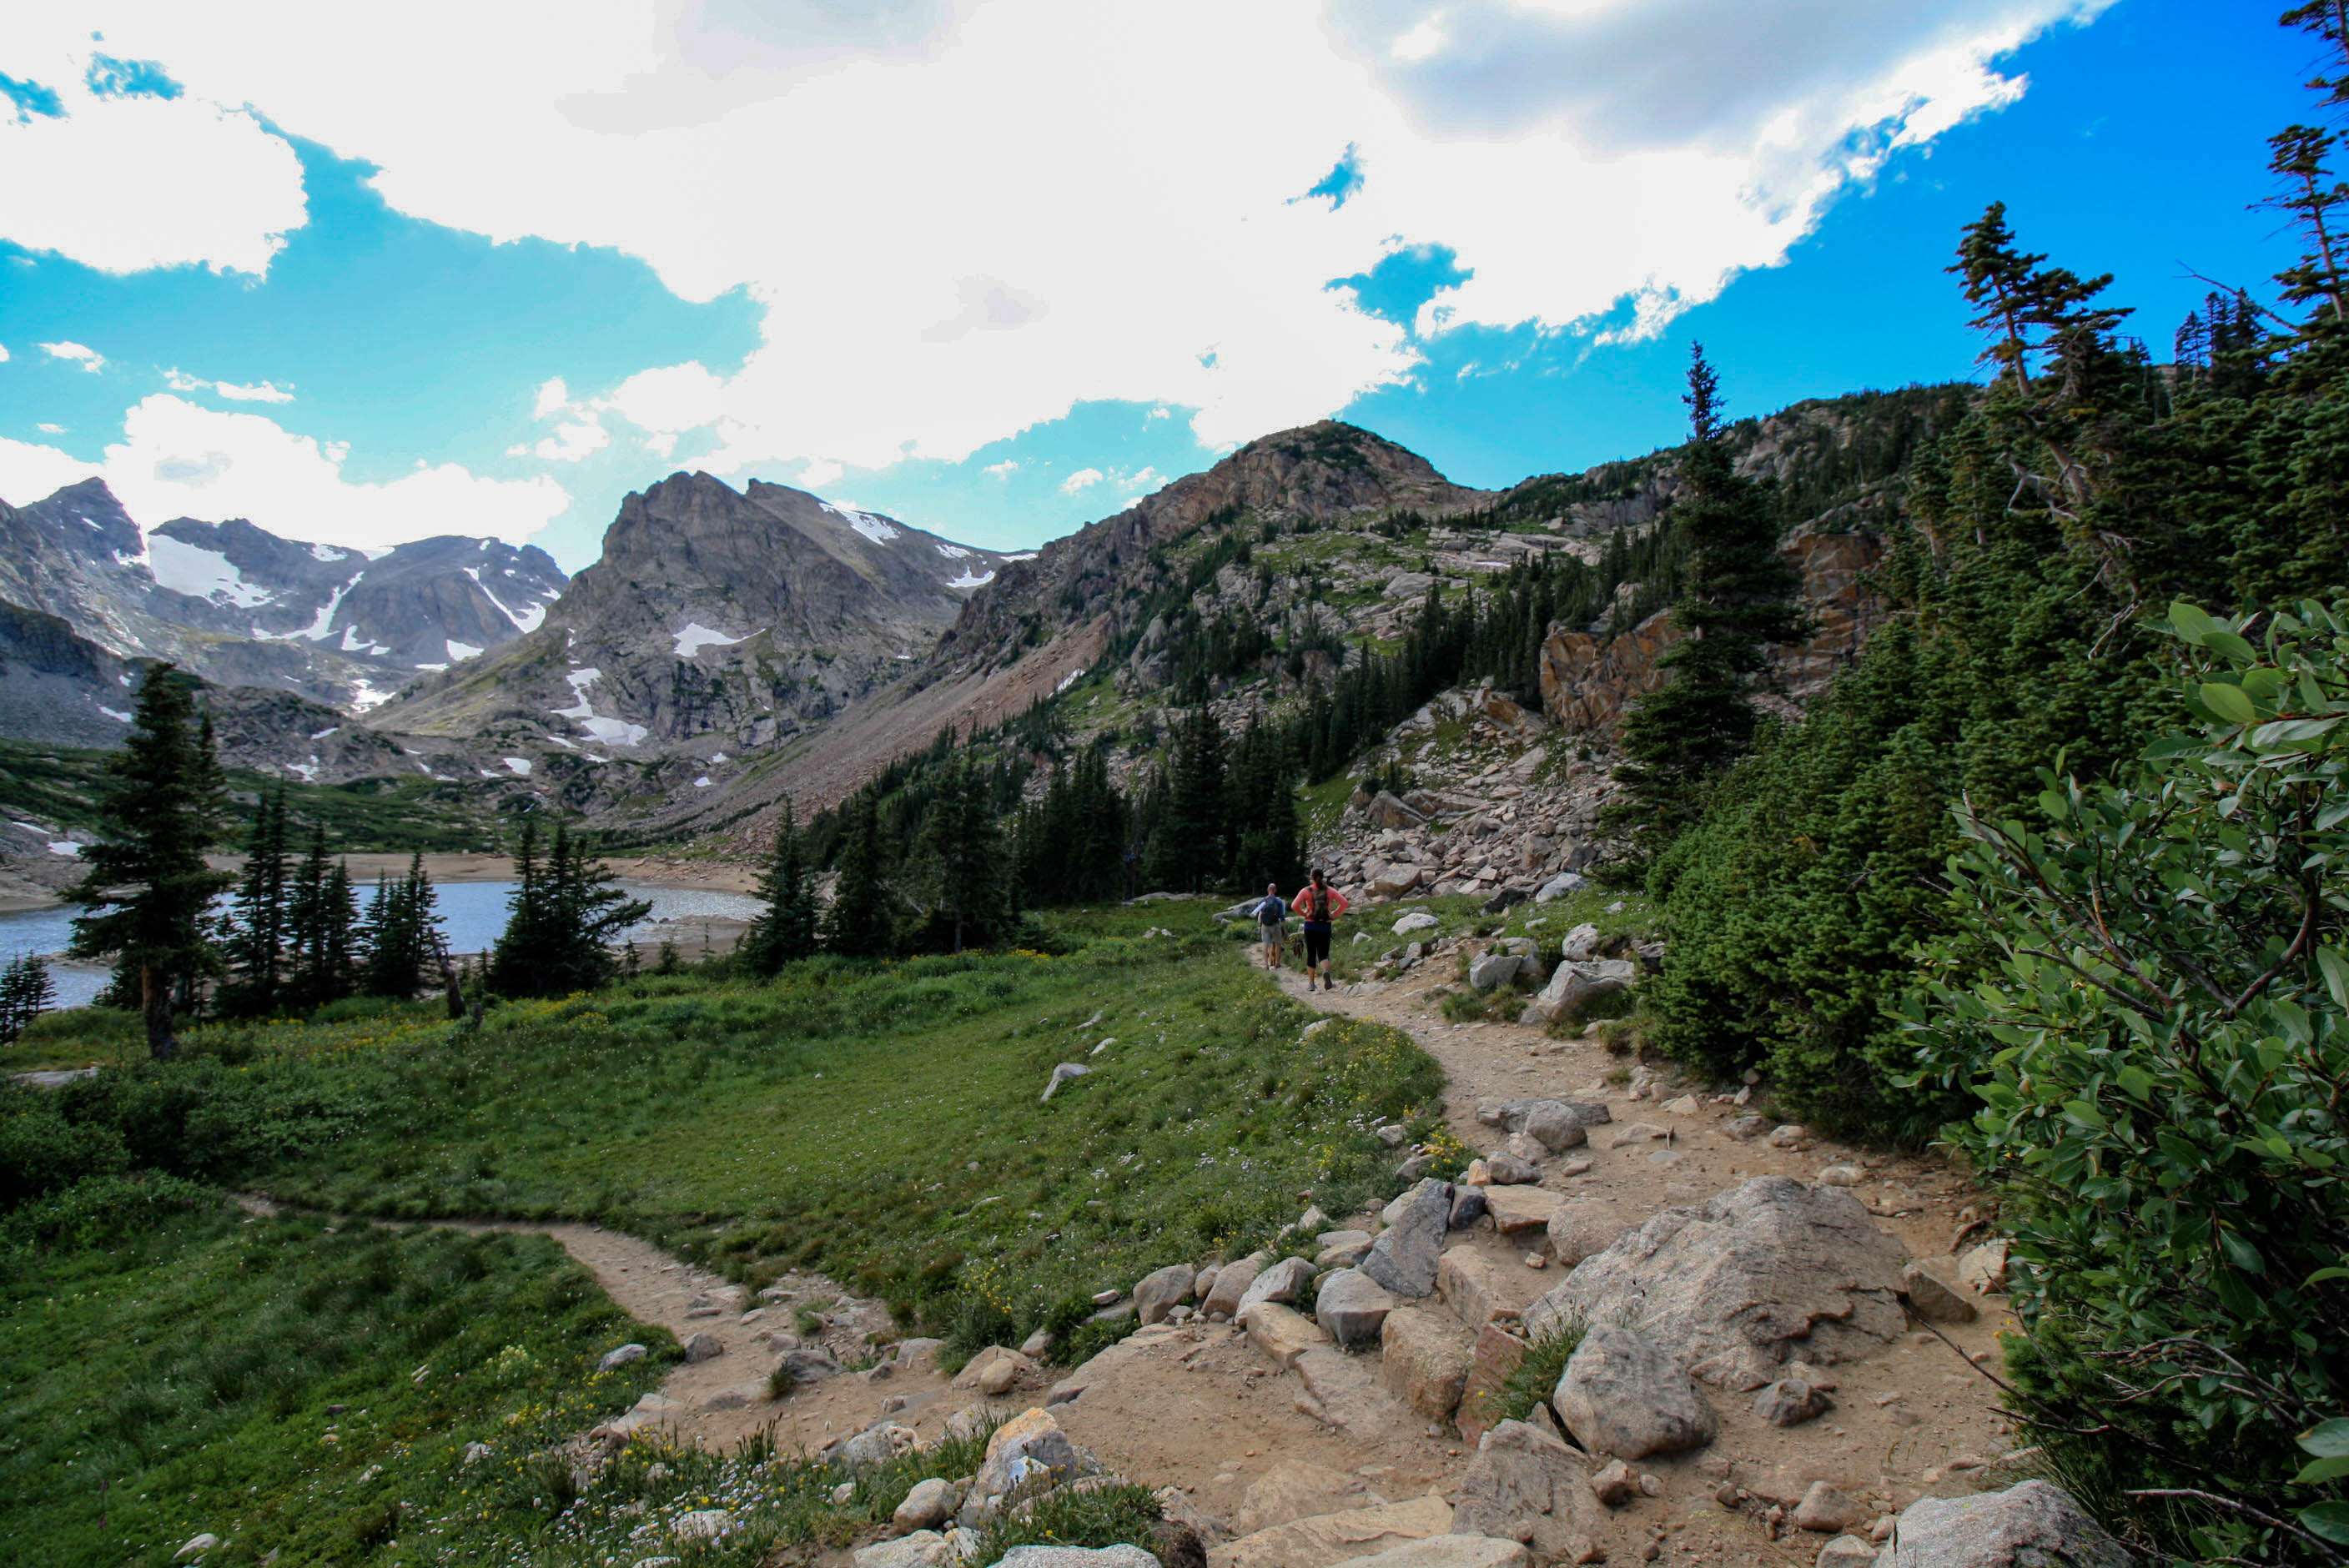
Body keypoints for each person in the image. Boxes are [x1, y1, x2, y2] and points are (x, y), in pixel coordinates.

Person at [1291, 869, 1351, 992]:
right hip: (1325, 926)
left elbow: (1294, 906)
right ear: (1323, 877)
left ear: (1312, 877)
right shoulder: (1330, 890)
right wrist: (1334, 914)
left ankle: (1311, 984)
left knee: (1311, 953)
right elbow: (1345, 903)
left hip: (1310, 926)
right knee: (1323, 953)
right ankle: (1325, 972)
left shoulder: (1306, 891)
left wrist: (1304, 914)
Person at [1251, 882, 1288, 970]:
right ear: (1275, 890)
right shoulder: (1279, 902)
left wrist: (1260, 925)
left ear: (1268, 890)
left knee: (1265, 945)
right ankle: (1277, 963)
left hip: (1265, 926)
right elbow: (1282, 917)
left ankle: (1266, 965)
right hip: (1275, 925)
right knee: (1278, 944)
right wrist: (1285, 930)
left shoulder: (1262, 901)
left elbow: (1258, 914)